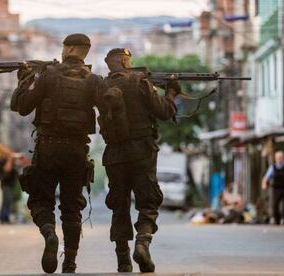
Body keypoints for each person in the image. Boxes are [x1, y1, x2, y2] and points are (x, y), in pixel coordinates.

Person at [11, 33, 102, 273]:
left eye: (64, 48)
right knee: (72, 208)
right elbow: (110, 110)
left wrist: (24, 80)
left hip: (49, 147)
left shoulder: (48, 76)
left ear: (70, 49)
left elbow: (22, 107)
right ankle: (70, 261)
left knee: (41, 199)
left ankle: (49, 233)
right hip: (77, 151)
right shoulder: (93, 80)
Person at [97, 48, 180, 273]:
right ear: (125, 61)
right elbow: (164, 111)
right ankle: (142, 244)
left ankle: (123, 259)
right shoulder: (140, 82)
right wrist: (171, 92)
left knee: (119, 205)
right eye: (129, 60)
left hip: (114, 155)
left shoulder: (102, 87)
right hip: (142, 151)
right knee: (148, 201)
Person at [261, 150, 284, 225]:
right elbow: (266, 177)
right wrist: (264, 183)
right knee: (275, 204)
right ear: (275, 158)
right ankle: (277, 220)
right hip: (276, 188)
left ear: (283, 158)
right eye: (278, 158)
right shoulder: (272, 167)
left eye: (280, 157)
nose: (279, 159)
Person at [0, 150, 19, 224]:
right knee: (6, 201)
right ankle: (3, 218)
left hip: (11, 184)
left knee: (9, 201)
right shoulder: (1, 162)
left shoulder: (11, 161)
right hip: (5, 184)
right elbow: (7, 170)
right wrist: (10, 159)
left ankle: (6, 217)